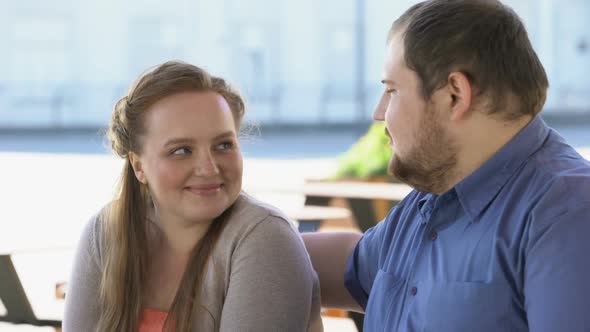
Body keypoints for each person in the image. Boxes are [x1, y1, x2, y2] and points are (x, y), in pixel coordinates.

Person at [303, 0, 590, 331]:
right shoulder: (435, 195)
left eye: (392, 91)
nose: (380, 112)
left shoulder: (568, 214)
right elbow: (356, 265)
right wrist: (238, 235)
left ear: (455, 94)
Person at [64, 61, 323, 332]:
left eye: (223, 145)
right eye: (182, 150)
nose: (209, 168)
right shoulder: (105, 232)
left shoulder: (265, 238)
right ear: (139, 166)